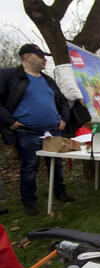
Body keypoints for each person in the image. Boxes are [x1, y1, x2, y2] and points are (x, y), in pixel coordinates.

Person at [0, 44, 75, 216]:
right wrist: (10, 121)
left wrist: (64, 118)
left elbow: (62, 100)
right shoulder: (11, 76)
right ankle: (29, 201)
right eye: (40, 56)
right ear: (27, 57)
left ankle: (59, 192)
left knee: (56, 164)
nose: (44, 60)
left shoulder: (48, 80)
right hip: (28, 132)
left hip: (53, 131)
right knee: (30, 165)